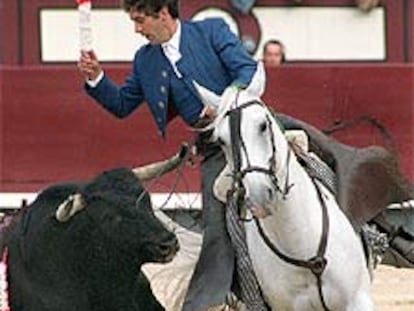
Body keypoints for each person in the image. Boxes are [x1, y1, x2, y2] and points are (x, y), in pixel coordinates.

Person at [77, 0, 258, 310]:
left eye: (140, 20)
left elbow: (247, 70)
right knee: (216, 226)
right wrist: (96, 77)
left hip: (251, 130)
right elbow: (122, 105)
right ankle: (208, 302)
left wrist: (224, 105)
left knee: (307, 150)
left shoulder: (211, 30)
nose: (136, 29)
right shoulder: (146, 59)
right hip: (215, 148)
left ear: (162, 13)